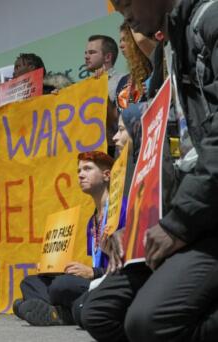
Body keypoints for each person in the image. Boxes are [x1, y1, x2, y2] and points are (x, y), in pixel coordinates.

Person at [81, 0, 218, 341]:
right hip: (196, 208)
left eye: (127, 2)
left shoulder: (210, 22)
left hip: (205, 212)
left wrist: (178, 224)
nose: (124, 15)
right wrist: (137, 225)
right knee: (98, 313)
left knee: (150, 323)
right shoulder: (167, 52)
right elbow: (166, 156)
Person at [14, 151, 124, 326]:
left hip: (113, 282)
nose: (80, 175)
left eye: (87, 169)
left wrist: (94, 273)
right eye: (79, 170)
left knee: (61, 285)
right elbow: (95, 262)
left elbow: (132, 265)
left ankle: (64, 313)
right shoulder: (92, 222)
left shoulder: (121, 210)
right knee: (30, 283)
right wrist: (53, 269)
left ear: (107, 175)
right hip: (94, 282)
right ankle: (64, 311)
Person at [85, 34, 123, 157]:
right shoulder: (84, 86)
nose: (86, 56)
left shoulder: (123, 80)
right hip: (90, 153)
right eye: (86, 53)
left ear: (107, 57)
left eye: (92, 52)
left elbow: (120, 119)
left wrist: (100, 89)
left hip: (114, 150)